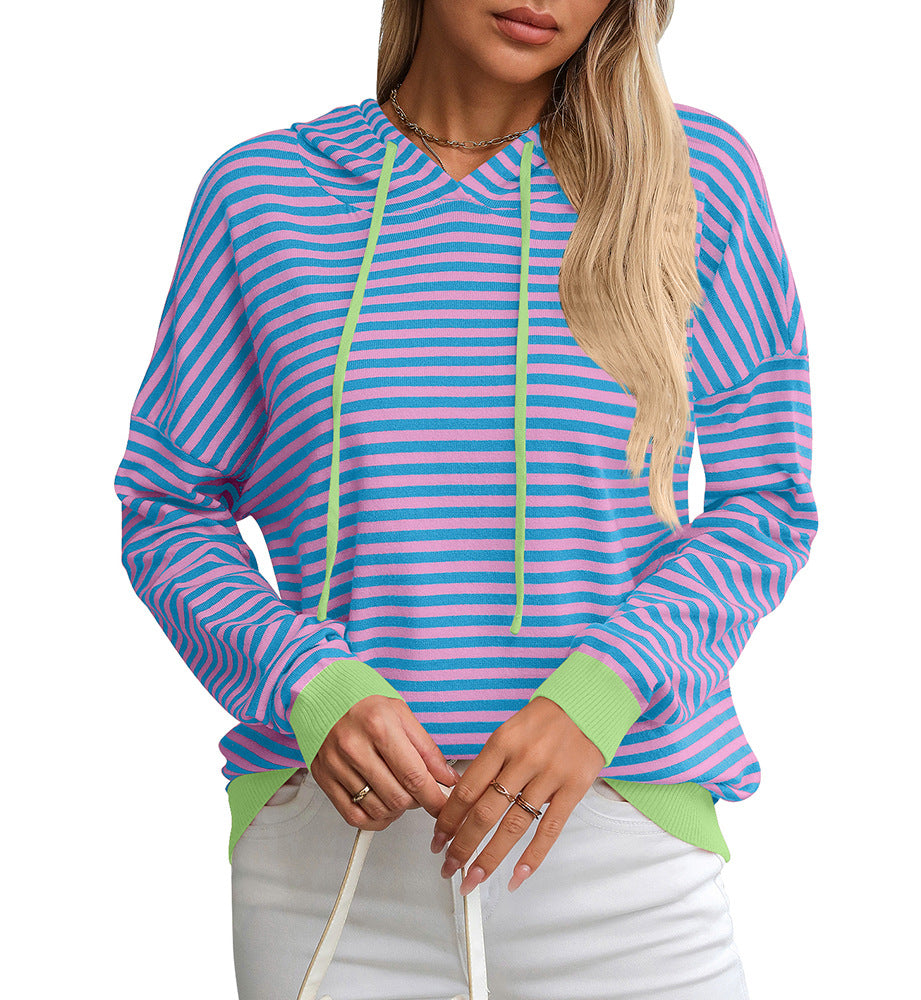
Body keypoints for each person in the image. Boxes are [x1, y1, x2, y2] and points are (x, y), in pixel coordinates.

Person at [113, 1, 818, 997]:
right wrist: (308, 680)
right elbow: (168, 505)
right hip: (332, 873)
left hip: (621, 861)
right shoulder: (262, 196)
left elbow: (765, 503)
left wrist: (603, 690)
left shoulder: (689, 175)